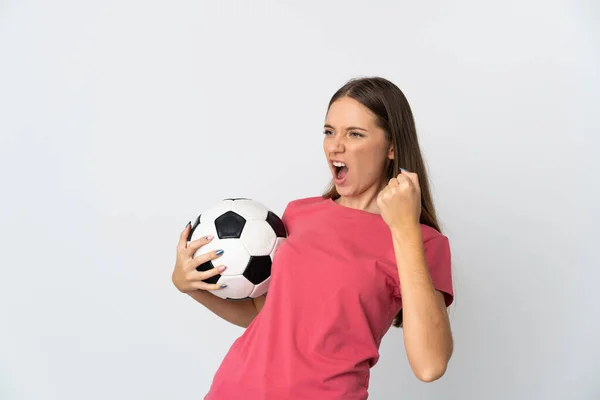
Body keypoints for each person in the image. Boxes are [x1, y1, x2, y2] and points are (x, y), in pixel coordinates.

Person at [172, 76, 455, 399]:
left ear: (391, 146)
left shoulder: (423, 242)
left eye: (355, 134)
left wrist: (404, 229)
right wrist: (190, 287)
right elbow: (265, 316)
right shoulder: (299, 214)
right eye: (329, 132)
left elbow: (430, 366)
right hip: (232, 390)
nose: (335, 145)